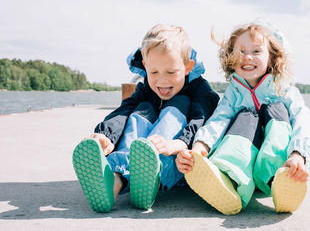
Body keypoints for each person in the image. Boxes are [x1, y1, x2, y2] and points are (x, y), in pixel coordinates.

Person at [176, 21, 310, 215]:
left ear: (271, 57)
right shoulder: (234, 92)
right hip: (243, 165)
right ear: (230, 58)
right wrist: (200, 146)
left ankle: (279, 179)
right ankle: (230, 179)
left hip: (276, 165)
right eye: (240, 52)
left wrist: (299, 155)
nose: (247, 57)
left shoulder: (282, 89)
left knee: (276, 110)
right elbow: (219, 119)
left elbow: (304, 120)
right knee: (245, 115)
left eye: (256, 51)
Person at [72, 24, 220, 213]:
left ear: (187, 67)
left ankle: (150, 174)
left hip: (177, 161)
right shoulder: (145, 88)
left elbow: (203, 119)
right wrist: (105, 135)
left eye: (171, 72)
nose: (162, 81)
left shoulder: (200, 90)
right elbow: (124, 111)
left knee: (179, 102)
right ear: (145, 66)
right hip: (137, 158)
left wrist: (180, 143)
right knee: (142, 108)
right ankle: (115, 181)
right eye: (154, 72)